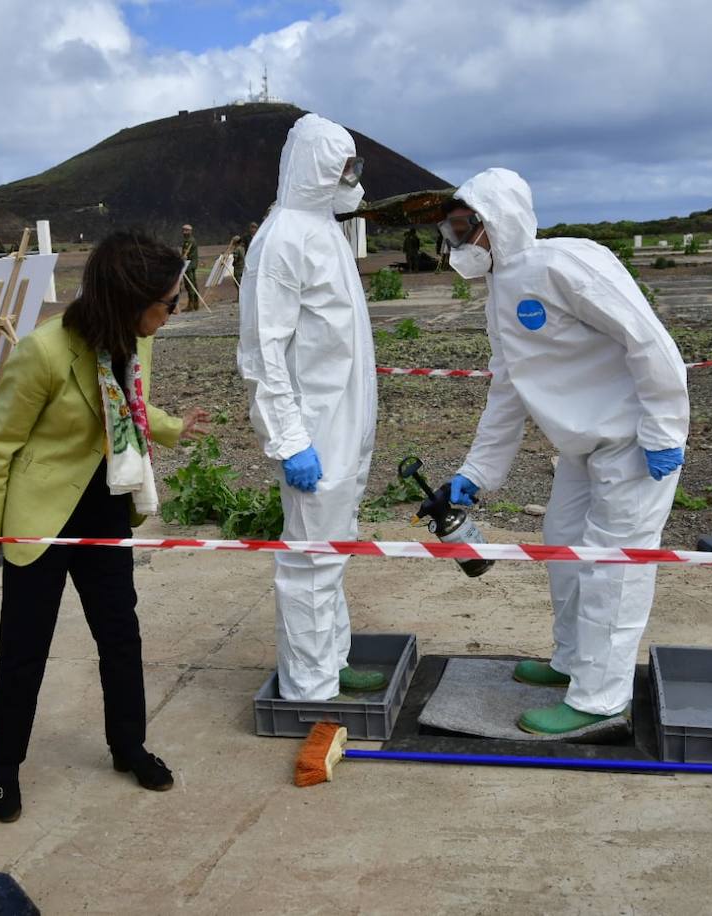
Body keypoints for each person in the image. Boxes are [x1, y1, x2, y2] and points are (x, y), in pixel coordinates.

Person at [0, 230, 210, 822]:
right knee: (25, 649)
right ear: (131, 298)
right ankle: (3, 771)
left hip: (104, 503)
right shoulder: (43, 352)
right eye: (169, 303)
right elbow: (0, 446)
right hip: (39, 514)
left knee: (120, 636)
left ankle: (128, 747)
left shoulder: (134, 339)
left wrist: (175, 427)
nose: (172, 314)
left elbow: (127, 403)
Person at [439, 168, 689, 738]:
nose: (456, 241)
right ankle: (574, 662)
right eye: (451, 228)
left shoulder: (563, 265)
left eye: (464, 227)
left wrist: (664, 431)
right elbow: (510, 385)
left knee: (613, 569)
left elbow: (649, 342)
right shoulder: (501, 285)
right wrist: (476, 472)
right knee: (563, 546)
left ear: (495, 222)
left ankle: (601, 700)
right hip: (583, 446)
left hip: (632, 441)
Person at [237, 113, 382, 702]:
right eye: (343, 167)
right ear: (317, 167)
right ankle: (309, 686)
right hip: (315, 432)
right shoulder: (280, 241)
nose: (352, 179)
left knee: (333, 551)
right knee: (310, 563)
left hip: (345, 423)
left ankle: (332, 658)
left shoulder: (323, 230)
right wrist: (289, 438)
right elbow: (261, 351)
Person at [180, 223, 201, 311]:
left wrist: (182, 258)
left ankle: (191, 304)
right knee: (193, 284)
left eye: (186, 230)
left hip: (189, 265)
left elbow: (186, 254)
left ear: (190, 231)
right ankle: (196, 304)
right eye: (183, 230)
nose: (184, 232)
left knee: (190, 284)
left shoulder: (189, 241)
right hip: (191, 264)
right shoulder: (189, 240)